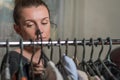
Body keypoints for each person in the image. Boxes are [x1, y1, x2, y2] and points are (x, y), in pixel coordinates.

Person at [0, 0, 51, 79]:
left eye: (44, 22)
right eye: (30, 25)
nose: (40, 31)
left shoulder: (44, 58)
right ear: (18, 29)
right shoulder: (13, 58)